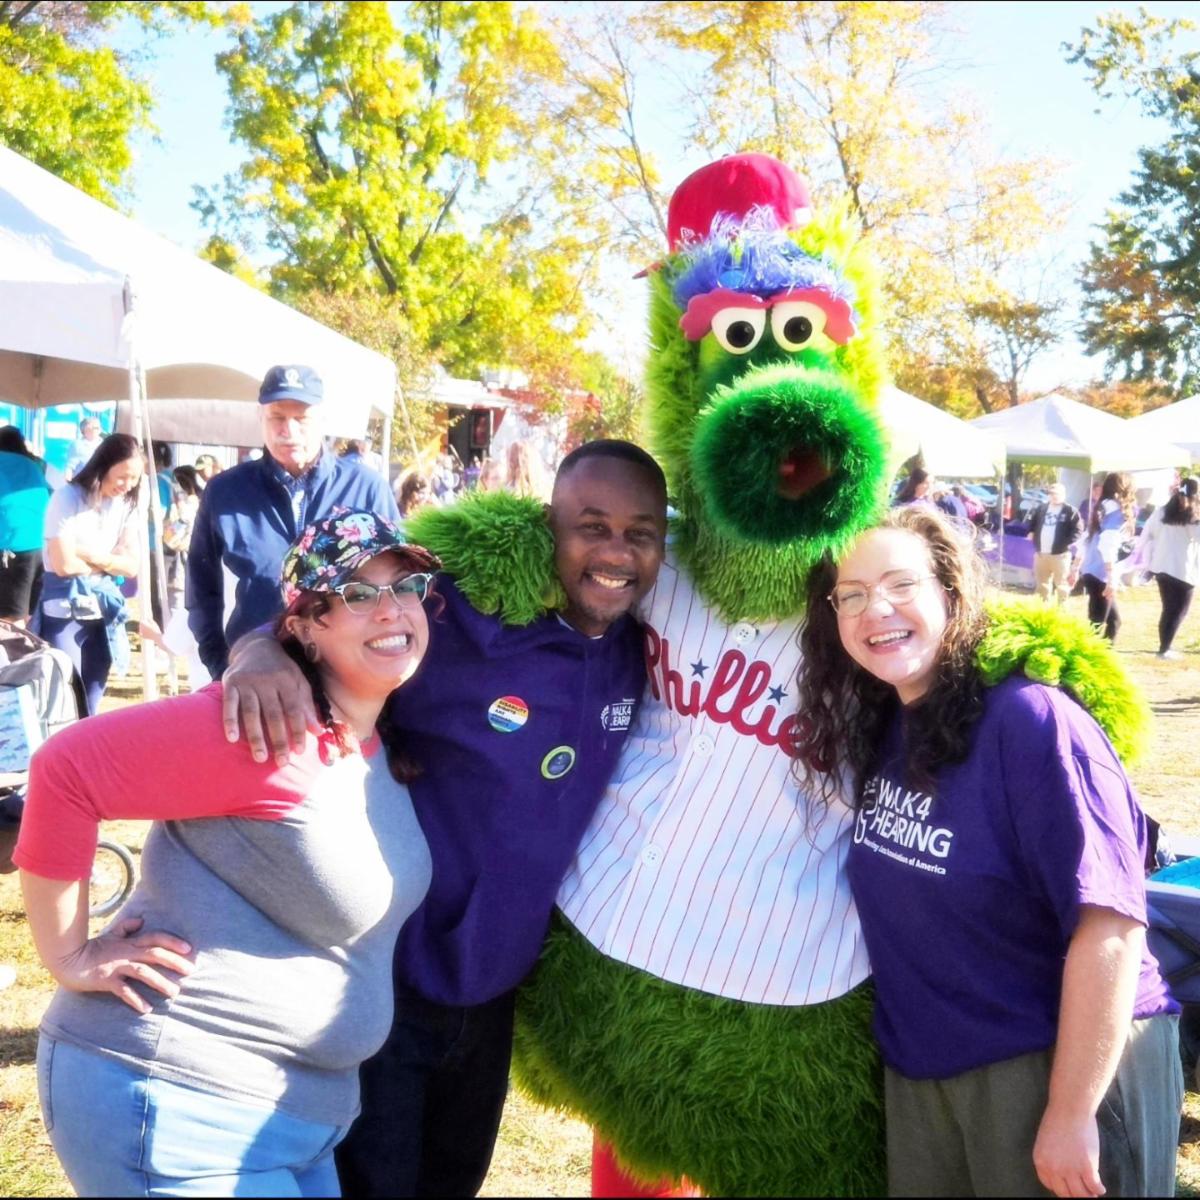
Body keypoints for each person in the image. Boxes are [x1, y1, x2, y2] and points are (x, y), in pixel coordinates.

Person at [222, 440, 667, 1197]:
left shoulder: (643, 648)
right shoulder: (461, 617)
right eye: (591, 526)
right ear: (547, 527)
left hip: (491, 988)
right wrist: (254, 651)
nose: (615, 551)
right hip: (382, 978)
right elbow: (319, 618)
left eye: (640, 533)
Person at [16, 510, 440, 1197]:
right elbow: (67, 769)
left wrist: (256, 647)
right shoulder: (269, 729)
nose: (392, 610)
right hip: (177, 1102)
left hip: (290, 1120)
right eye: (359, 594)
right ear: (304, 625)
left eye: (407, 587)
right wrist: (67, 956)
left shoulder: (373, 739)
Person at [795, 503, 1182, 1199]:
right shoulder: (890, 727)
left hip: (1051, 1065)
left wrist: (1070, 1113)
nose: (874, 608)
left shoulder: (1032, 722)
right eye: (850, 595)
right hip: (929, 1075)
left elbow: (1112, 928)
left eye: (899, 584)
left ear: (950, 591)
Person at [186, 364, 400, 678]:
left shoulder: (366, 489)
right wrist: (220, 663)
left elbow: (397, 583)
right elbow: (202, 587)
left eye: (301, 419)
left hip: (348, 676)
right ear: (260, 418)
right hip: (257, 675)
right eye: (277, 417)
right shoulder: (225, 492)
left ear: (323, 419)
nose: (288, 431)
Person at [39, 433, 143, 715]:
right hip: (64, 610)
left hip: (103, 610)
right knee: (64, 697)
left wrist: (87, 554)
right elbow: (64, 565)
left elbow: (132, 565)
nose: (128, 485)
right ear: (104, 465)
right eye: (123, 476)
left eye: (134, 479)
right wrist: (110, 562)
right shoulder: (67, 497)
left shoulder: (126, 506)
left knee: (93, 700)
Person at [1139, 476, 1200, 659]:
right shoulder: (1192, 516)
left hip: (1161, 566)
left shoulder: (1162, 511)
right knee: (1179, 611)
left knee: (1168, 609)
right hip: (1182, 569)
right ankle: (1165, 649)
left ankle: (1164, 647)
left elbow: (1148, 533)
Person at [0, 427, 51, 624]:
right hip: (39, 544)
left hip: (10, 545)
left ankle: (14, 652)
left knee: (8, 619)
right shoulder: (36, 464)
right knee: (26, 613)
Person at [1078, 472, 1135, 642]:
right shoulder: (1116, 512)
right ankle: (1088, 659)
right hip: (1101, 573)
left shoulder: (1102, 507)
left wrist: (1076, 566)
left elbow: (1088, 537)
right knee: (1098, 623)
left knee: (1114, 622)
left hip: (1092, 569)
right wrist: (1111, 578)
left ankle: (1103, 656)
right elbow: (1107, 543)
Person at [1027, 481, 1084, 605]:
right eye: (1051, 494)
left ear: (1063, 495)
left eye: (1056, 494)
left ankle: (1061, 610)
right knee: (1042, 584)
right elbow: (1033, 522)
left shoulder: (1070, 511)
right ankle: (1042, 609)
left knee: (1062, 585)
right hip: (1041, 553)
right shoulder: (1041, 508)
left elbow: (1078, 530)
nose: (1053, 496)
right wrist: (1031, 532)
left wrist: (1066, 543)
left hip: (1060, 555)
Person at [64, 417, 102, 482]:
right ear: (84, 431)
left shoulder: (104, 443)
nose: (95, 430)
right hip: (82, 483)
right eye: (91, 427)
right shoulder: (77, 445)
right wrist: (67, 483)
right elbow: (69, 468)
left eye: (97, 427)